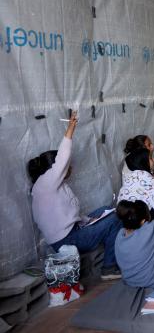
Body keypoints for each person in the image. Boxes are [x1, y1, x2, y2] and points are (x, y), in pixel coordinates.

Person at [28, 112, 122, 280]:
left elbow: (69, 217)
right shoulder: (45, 184)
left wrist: (87, 221)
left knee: (107, 210)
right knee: (115, 219)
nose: (70, 168)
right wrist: (71, 128)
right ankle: (109, 267)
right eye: (67, 167)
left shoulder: (53, 185)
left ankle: (111, 255)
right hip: (67, 241)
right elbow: (63, 157)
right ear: (54, 169)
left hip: (74, 230)